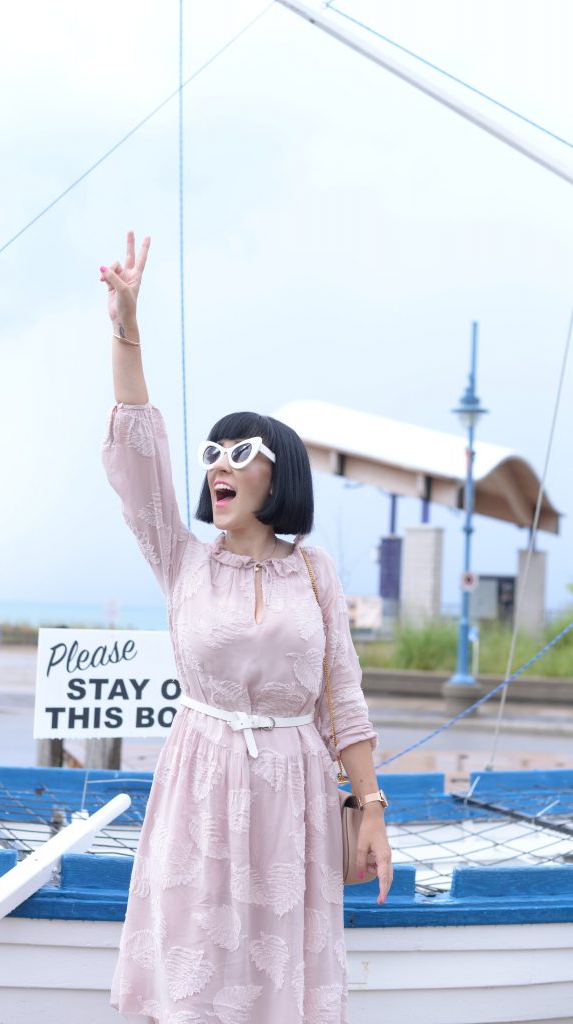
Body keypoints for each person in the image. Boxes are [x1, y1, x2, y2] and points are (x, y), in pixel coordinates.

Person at [100, 230, 392, 1023]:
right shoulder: (181, 558)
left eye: (243, 450)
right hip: (201, 778)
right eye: (213, 452)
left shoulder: (315, 571)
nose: (220, 463)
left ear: (281, 471)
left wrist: (370, 810)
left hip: (294, 790)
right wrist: (128, 325)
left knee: (278, 973)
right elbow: (138, 452)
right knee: (193, 965)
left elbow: (343, 696)